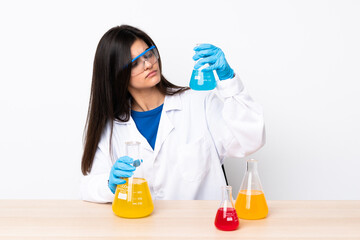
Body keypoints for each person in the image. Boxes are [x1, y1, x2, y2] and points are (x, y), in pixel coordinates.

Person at [81, 25, 265, 203]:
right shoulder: (112, 128)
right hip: (142, 231)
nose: (148, 64)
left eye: (149, 54)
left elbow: (251, 140)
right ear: (115, 75)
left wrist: (228, 81)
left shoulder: (199, 102)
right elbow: (89, 186)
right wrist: (109, 184)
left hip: (204, 230)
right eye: (135, 63)